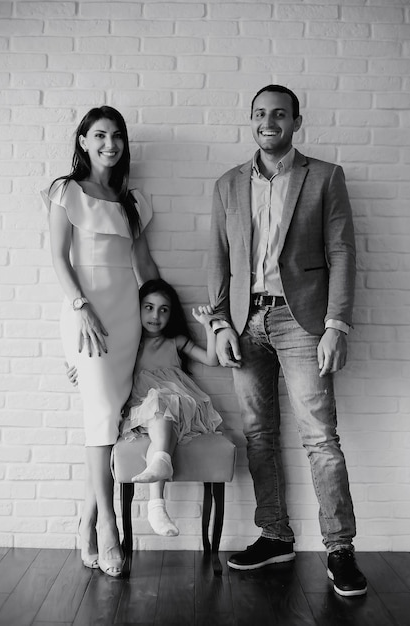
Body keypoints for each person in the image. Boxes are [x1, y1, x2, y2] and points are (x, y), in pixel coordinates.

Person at [208, 84, 367, 597]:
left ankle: (340, 548)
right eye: (259, 113)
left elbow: (341, 251)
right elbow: (217, 256)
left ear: (297, 121)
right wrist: (217, 323)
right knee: (258, 435)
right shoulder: (228, 184)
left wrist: (337, 324)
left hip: (303, 324)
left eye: (279, 114)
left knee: (320, 437)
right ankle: (274, 534)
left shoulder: (324, 177)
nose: (268, 121)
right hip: (244, 322)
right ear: (250, 120)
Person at [42, 106, 159, 577]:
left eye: (117, 137)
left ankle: (87, 522)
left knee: (108, 423)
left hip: (127, 318)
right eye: (100, 135)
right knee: (101, 418)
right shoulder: (66, 191)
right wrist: (80, 310)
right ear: (84, 141)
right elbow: (57, 258)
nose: (110, 144)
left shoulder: (132, 202)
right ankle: (108, 526)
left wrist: (174, 317)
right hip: (85, 316)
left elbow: (145, 269)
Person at [120, 278, 223, 536]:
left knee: (162, 408)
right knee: (157, 411)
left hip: (179, 403)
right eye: (149, 307)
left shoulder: (175, 340)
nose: (156, 315)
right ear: (138, 307)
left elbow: (212, 359)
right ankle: (157, 504)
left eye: (163, 309)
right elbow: (102, 363)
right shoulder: (130, 341)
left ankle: (156, 503)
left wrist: (209, 326)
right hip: (145, 408)